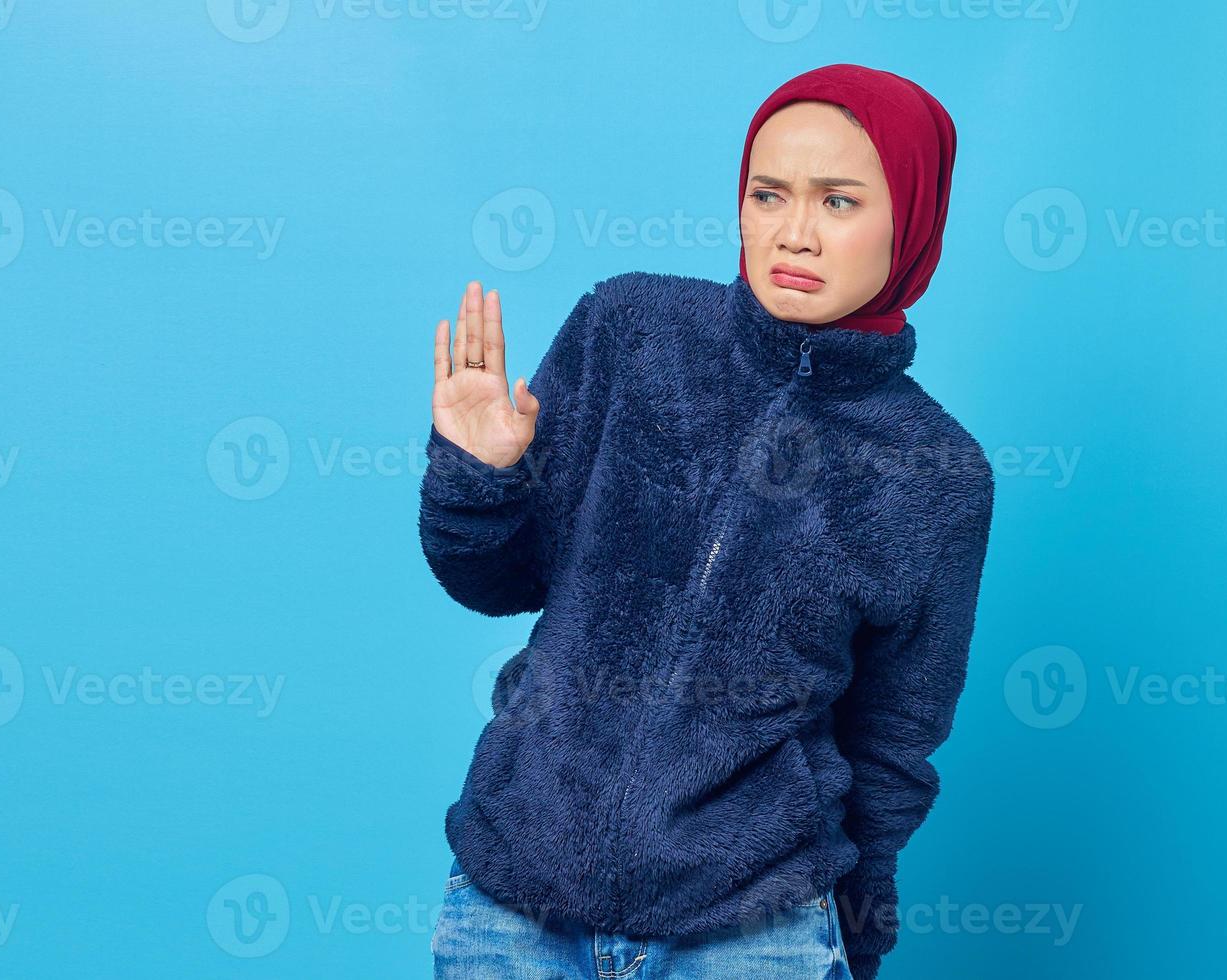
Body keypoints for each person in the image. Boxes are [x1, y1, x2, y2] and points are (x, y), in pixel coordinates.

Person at [420, 63, 992, 980]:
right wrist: (480, 475)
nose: (793, 233)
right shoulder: (631, 331)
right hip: (513, 908)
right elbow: (493, 583)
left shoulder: (938, 472)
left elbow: (893, 746)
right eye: (769, 194)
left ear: (913, 219)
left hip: (752, 935)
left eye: (839, 202)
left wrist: (855, 943)